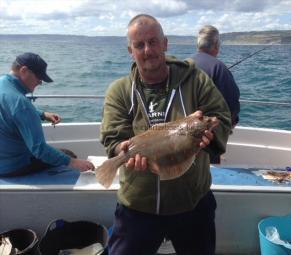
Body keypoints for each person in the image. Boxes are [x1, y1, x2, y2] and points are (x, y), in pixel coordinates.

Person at [100, 14, 231, 255]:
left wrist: (209, 138)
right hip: (138, 204)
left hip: (191, 201)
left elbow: (221, 118)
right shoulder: (119, 91)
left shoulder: (196, 80)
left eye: (153, 41)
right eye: (139, 45)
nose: (147, 50)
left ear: (165, 43)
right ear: (131, 50)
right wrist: (123, 151)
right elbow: (112, 137)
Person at [0, 52, 94, 177]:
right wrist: (73, 162)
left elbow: (10, 111)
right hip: (11, 167)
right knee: (68, 154)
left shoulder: (3, 84)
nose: (40, 82)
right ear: (24, 70)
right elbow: (39, 150)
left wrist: (42, 114)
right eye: (39, 77)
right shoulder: (21, 103)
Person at [191, 25, 240, 163]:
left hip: (182, 138)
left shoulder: (183, 65)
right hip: (207, 141)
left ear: (198, 44)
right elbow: (232, 106)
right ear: (216, 45)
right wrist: (230, 123)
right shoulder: (219, 68)